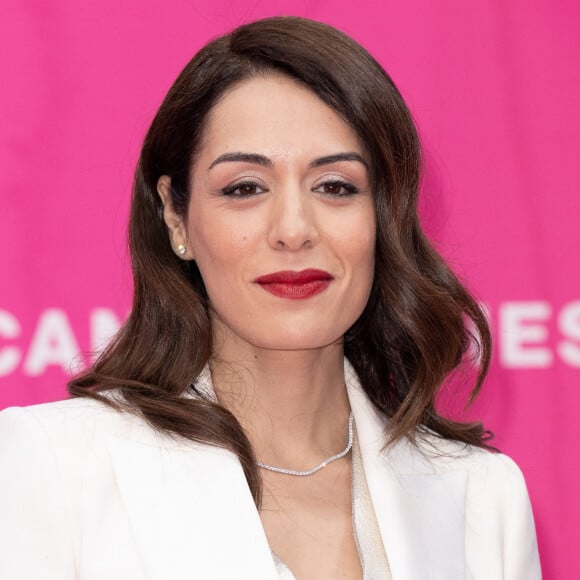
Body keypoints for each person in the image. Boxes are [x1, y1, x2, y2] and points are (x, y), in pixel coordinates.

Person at [0, 16, 541, 580]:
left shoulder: (482, 498)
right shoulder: (53, 468)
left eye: (335, 186)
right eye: (244, 188)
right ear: (176, 215)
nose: (292, 228)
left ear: (384, 214)